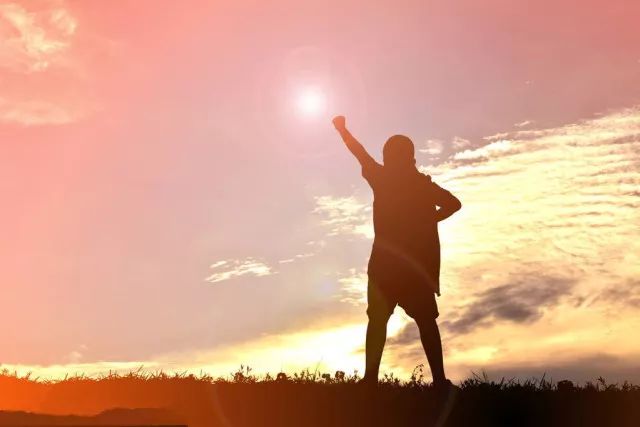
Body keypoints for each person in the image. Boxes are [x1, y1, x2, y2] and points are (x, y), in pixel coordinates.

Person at [332, 115, 461, 388]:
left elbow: (359, 153)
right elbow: (453, 204)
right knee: (421, 322)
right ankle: (437, 381)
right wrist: (431, 219)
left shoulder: (384, 179)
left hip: (388, 268)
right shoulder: (422, 186)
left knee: (383, 322)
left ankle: (371, 381)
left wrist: (342, 130)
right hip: (408, 269)